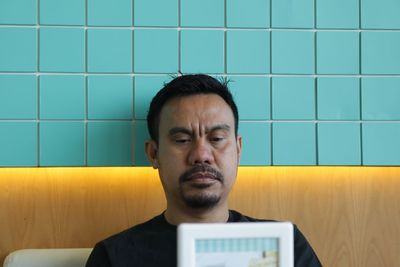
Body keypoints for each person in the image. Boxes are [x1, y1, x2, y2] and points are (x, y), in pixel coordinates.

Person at [86, 74, 322, 267]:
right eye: (181, 140)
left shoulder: (283, 246)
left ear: (238, 150)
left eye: (217, 138)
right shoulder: (114, 257)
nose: (201, 155)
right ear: (153, 154)